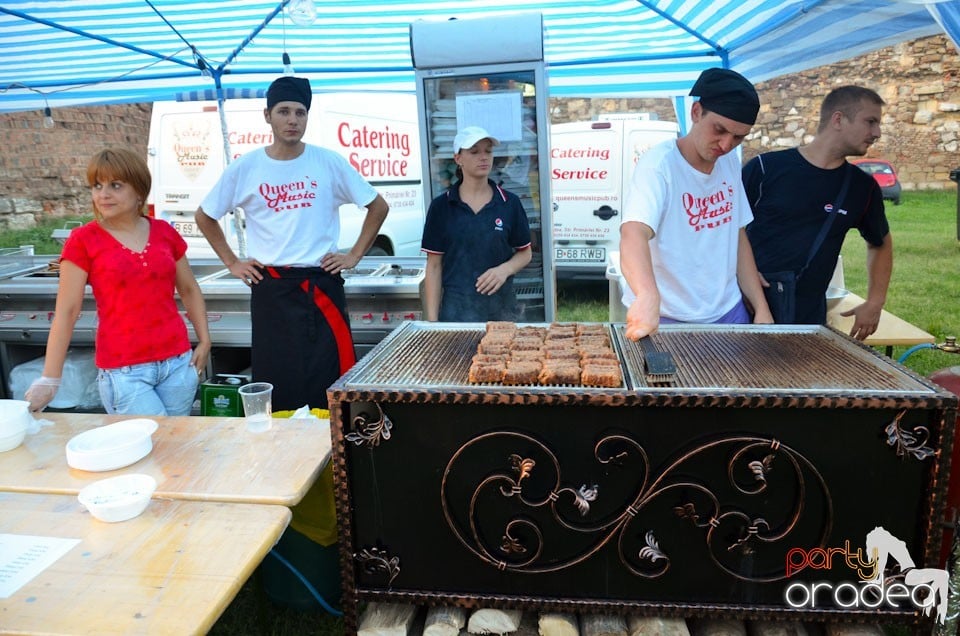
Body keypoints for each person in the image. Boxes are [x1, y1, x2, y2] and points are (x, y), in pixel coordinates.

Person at [195, 75, 388, 411]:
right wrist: (232, 262)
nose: (292, 120)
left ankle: (335, 454)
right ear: (267, 115)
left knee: (332, 381)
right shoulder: (247, 167)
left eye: (300, 113)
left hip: (321, 286)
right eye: (284, 111)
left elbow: (377, 206)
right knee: (278, 380)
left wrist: (354, 254)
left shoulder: (327, 162)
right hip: (271, 290)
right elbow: (205, 215)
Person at [24, 148, 211, 415]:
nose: (103, 194)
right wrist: (50, 379)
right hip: (125, 372)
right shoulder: (83, 240)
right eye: (97, 186)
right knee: (146, 450)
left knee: (176, 448)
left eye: (115, 185)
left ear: (139, 191)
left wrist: (204, 340)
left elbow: (189, 289)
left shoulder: (164, 232)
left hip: (178, 363)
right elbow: (67, 311)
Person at [619, 68, 773, 340]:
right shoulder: (659, 166)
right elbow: (633, 233)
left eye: (738, 137)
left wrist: (761, 307)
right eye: (720, 130)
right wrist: (647, 296)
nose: (726, 145)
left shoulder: (728, 163)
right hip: (667, 318)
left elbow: (736, 236)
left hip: (730, 313)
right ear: (696, 112)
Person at [743, 85, 892, 340]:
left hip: (809, 321)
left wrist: (875, 302)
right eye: (870, 122)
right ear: (838, 119)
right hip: (746, 311)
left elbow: (881, 243)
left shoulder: (862, 187)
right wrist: (744, 274)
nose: (876, 133)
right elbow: (725, 229)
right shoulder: (765, 168)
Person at [421, 126, 532, 322]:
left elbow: (525, 252)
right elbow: (434, 266)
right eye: (474, 152)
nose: (483, 157)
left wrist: (504, 270)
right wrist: (432, 322)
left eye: (488, 151)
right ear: (458, 159)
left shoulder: (509, 203)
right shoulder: (441, 207)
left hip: (502, 312)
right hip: (455, 314)